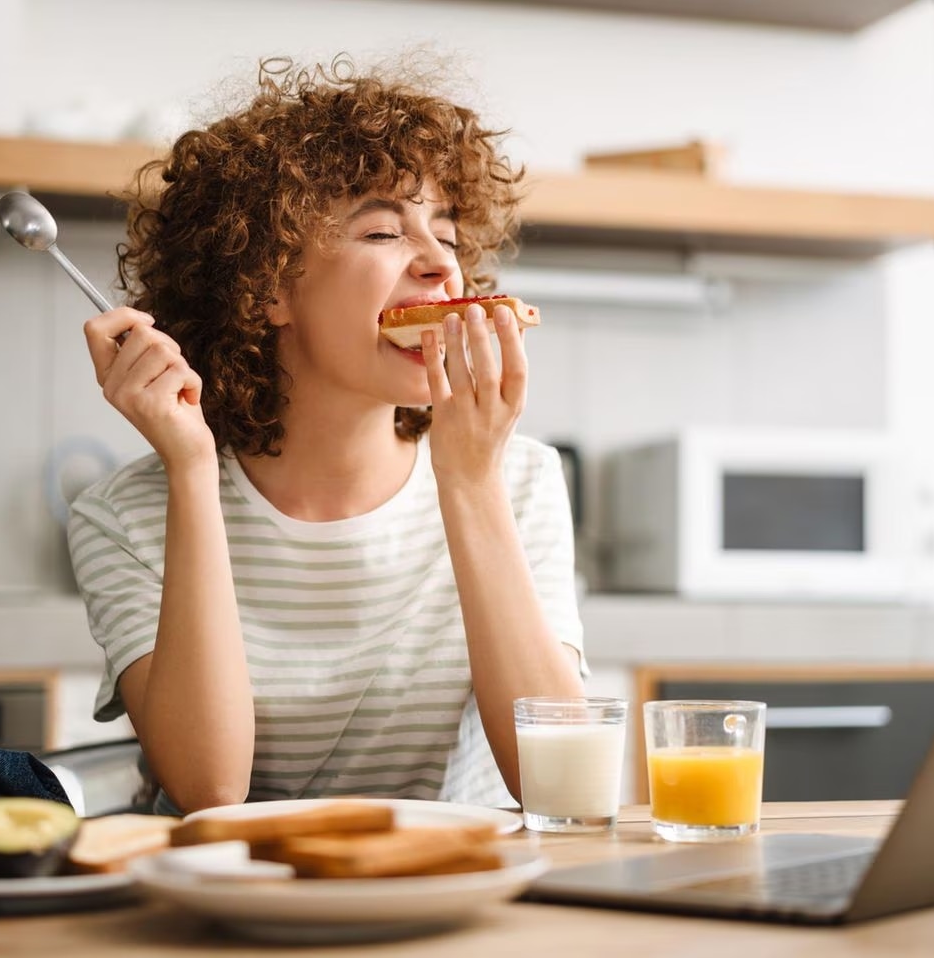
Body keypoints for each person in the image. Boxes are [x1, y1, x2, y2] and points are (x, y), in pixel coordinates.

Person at [68, 55, 586, 815]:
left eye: (445, 232)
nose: (441, 262)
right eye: (383, 230)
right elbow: (211, 789)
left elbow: (563, 786)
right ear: (268, 285)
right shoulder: (127, 516)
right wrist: (189, 468)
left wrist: (471, 482)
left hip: (450, 903)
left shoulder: (519, 479)